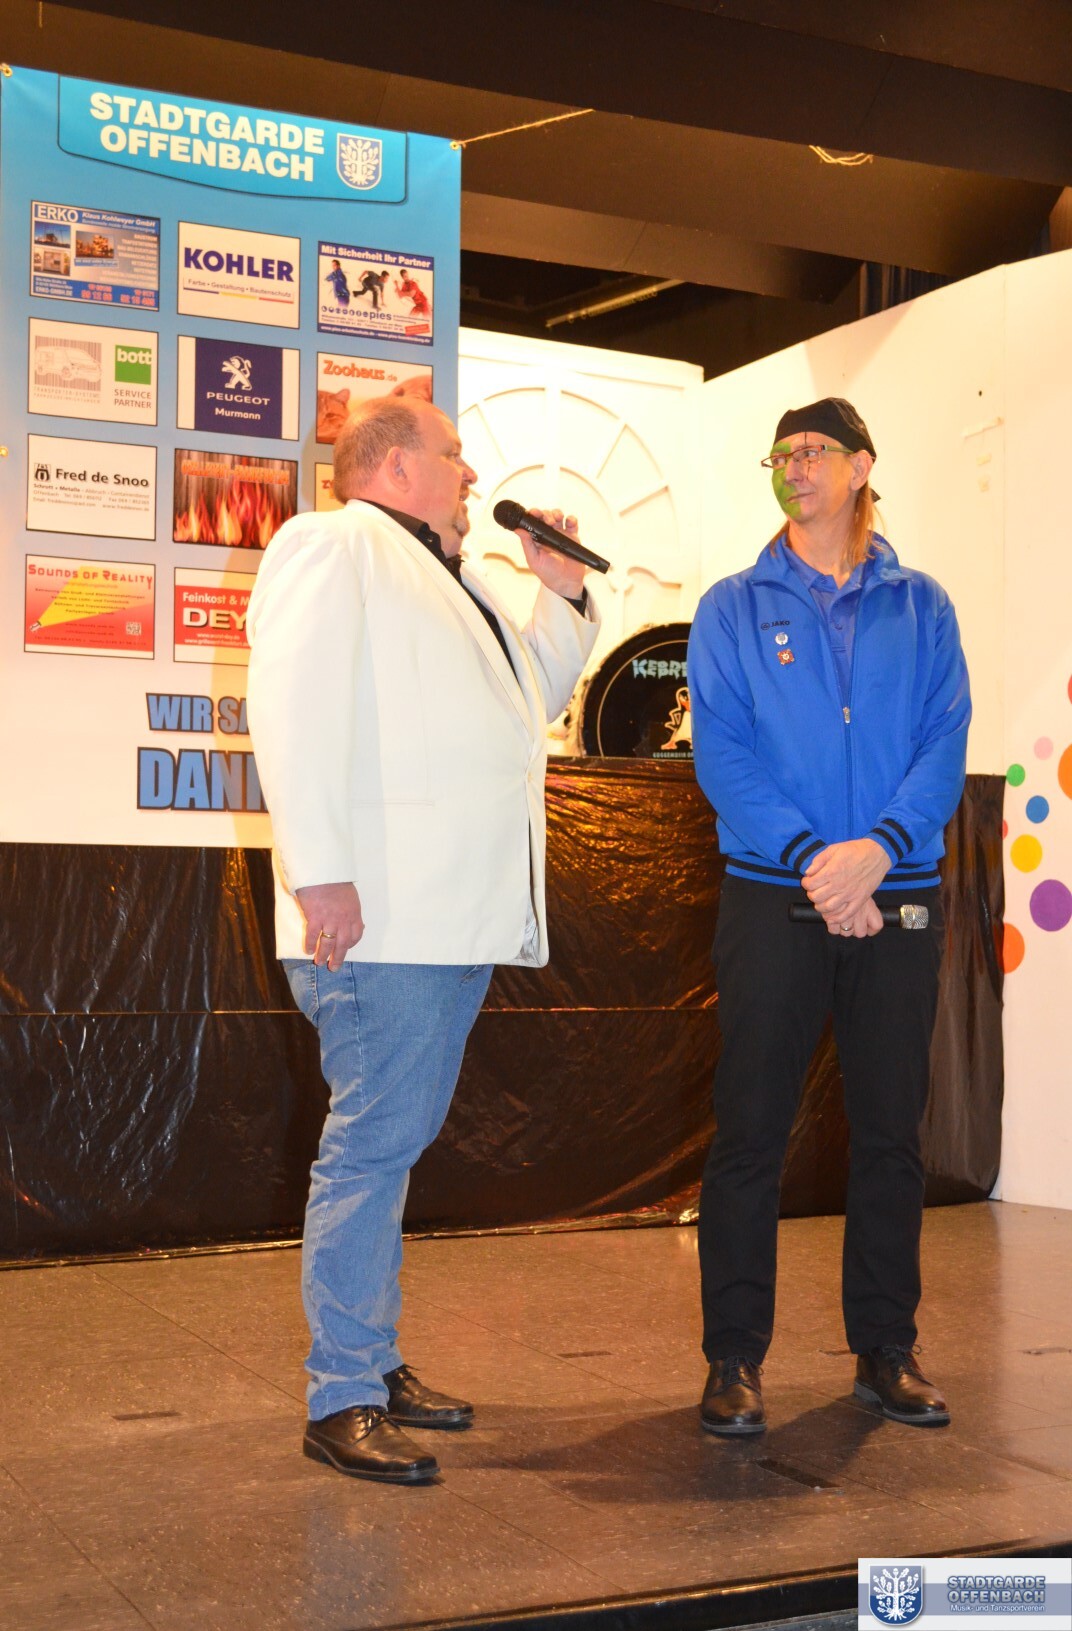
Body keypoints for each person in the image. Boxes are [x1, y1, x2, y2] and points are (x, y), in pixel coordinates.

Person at [246, 396, 598, 1483]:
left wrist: (559, 590)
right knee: (370, 1147)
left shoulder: (458, 578)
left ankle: (373, 1357)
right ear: (395, 464)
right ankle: (342, 1391)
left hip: (445, 917)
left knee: (391, 1146)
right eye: (453, 453)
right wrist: (321, 872)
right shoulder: (332, 544)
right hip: (381, 919)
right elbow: (292, 709)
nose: (469, 471)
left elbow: (529, 705)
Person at [687, 397, 970, 1437]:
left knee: (890, 1130)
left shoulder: (922, 605)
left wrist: (879, 849)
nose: (793, 467)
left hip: (897, 887)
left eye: (813, 451)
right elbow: (722, 753)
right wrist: (816, 859)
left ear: (860, 467)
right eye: (781, 453)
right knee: (750, 1129)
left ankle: (885, 1349)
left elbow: (944, 740)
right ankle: (732, 1358)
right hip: (775, 890)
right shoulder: (730, 606)